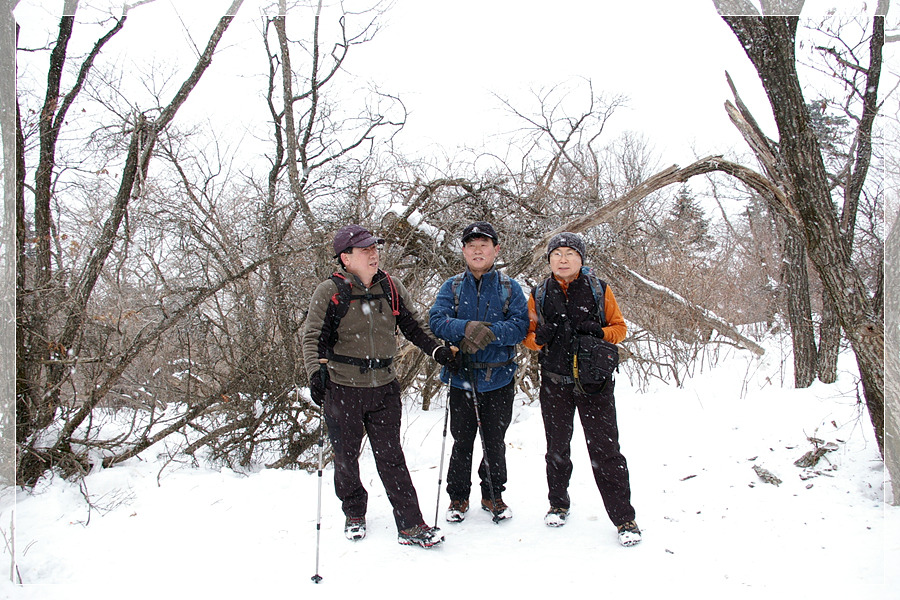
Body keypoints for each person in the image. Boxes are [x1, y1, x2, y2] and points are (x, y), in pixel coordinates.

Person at [302, 224, 459, 548]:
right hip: (343, 388)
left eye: (375, 248)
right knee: (346, 457)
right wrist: (315, 375)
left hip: (385, 387)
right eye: (365, 250)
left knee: (391, 457)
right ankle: (354, 511)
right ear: (346, 258)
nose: (374, 254)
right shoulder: (329, 292)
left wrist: (437, 351)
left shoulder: (391, 286)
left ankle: (411, 524)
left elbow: (413, 326)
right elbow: (313, 338)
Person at [523, 232, 641, 547]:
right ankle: (558, 504)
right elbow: (528, 337)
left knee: (606, 451)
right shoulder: (539, 293)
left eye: (570, 253)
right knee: (557, 448)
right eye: (557, 254)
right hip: (554, 382)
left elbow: (620, 329)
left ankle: (624, 518)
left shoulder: (599, 289)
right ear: (549, 260)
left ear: (581, 259)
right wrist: (540, 336)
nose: (563, 259)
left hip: (595, 383)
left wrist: (599, 331)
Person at [429, 222, 528, 523]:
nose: (477, 250)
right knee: (462, 441)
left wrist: (489, 333)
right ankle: (458, 498)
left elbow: (521, 326)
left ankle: (494, 494)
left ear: (496, 250)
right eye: (471, 245)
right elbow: (436, 320)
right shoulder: (453, 287)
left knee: (494, 441)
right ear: (463, 251)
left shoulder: (510, 288)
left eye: (483, 245)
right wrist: (465, 328)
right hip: (462, 379)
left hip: (499, 379)